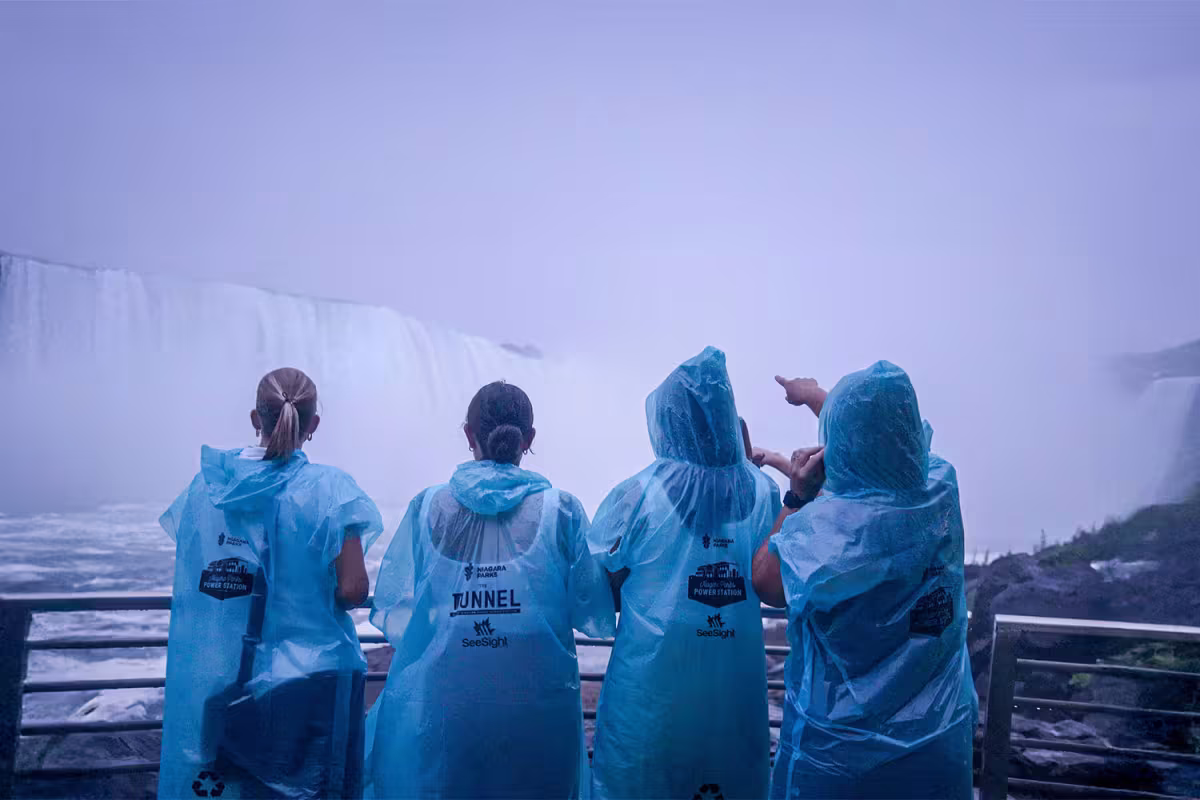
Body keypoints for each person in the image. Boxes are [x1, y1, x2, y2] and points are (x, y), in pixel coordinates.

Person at [365, 381, 614, 800]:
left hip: (447, 706)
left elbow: (398, 607)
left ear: (468, 435)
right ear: (529, 439)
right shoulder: (562, 510)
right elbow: (592, 609)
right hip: (538, 707)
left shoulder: (428, 506)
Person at [753, 362, 977, 800]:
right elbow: (887, 436)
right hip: (939, 746)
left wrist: (797, 495)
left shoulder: (826, 530)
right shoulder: (939, 484)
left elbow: (765, 582)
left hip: (840, 761)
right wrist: (816, 395)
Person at [158, 367, 382, 799]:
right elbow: (353, 588)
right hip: (317, 676)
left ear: (254, 418)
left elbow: (204, 571)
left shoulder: (210, 487)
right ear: (313, 424)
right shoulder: (332, 489)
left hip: (236, 677)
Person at [587, 347, 781, 800]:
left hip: (649, 699)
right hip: (733, 698)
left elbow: (595, 582)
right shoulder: (763, 491)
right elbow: (777, 580)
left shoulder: (636, 494)